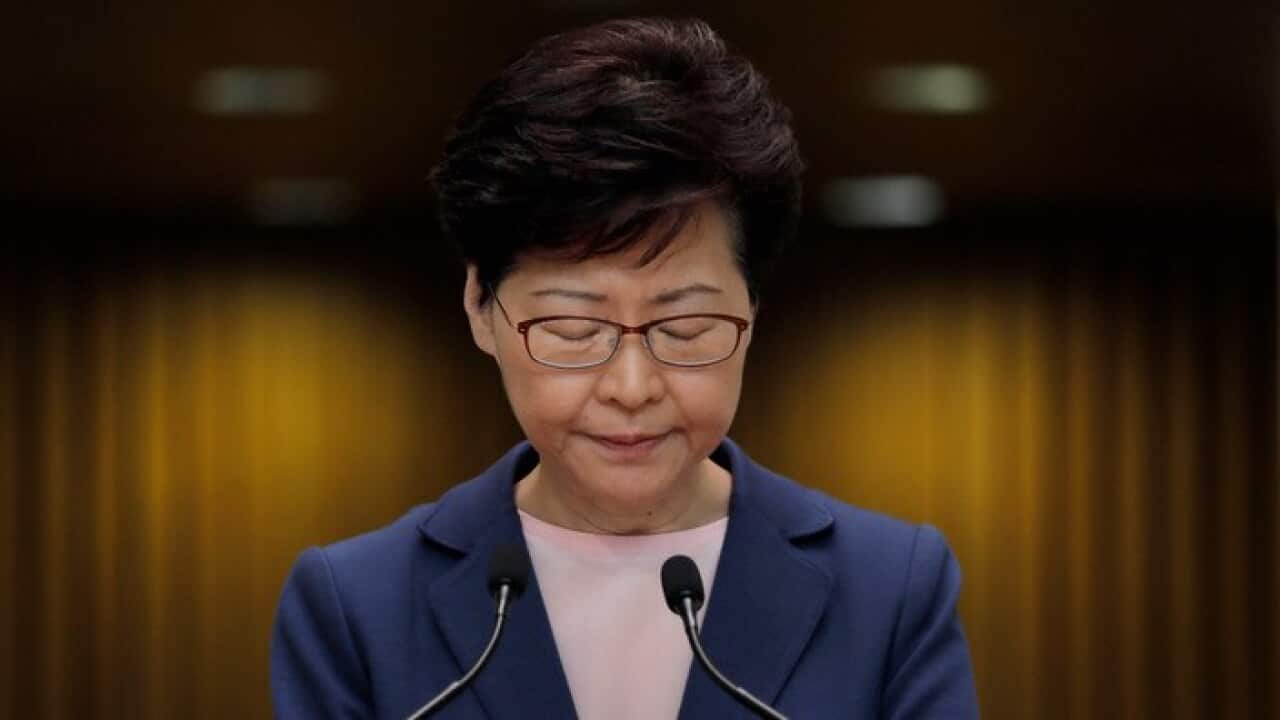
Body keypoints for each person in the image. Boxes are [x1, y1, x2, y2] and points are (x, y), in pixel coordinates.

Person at [271, 17, 979, 719]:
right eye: (574, 329)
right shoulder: (354, 605)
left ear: (753, 306)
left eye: (685, 327)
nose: (632, 389)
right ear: (481, 308)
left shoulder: (891, 590)